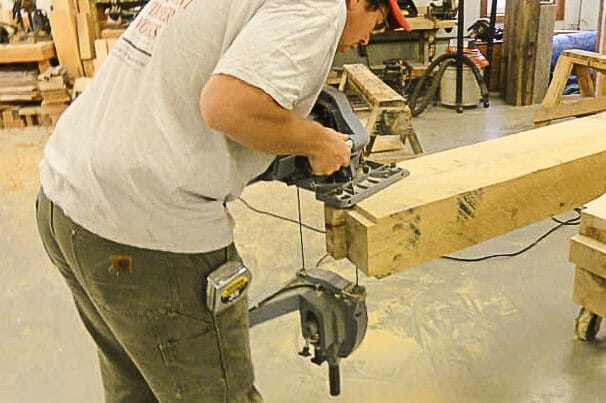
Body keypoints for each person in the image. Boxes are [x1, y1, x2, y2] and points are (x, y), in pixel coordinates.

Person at [35, 0, 408, 401]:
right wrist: (318, 142)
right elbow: (227, 105)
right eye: (378, 19)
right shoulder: (321, 8)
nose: (369, 37)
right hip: (147, 231)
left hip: (67, 201)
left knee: (136, 386)